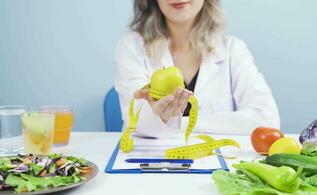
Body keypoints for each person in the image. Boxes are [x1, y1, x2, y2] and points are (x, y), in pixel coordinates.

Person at [114, 0, 280, 137]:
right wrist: (153, 116)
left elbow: (266, 119)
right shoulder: (132, 46)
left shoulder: (233, 50)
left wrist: (178, 123)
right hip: (145, 164)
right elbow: (134, 119)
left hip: (214, 164)